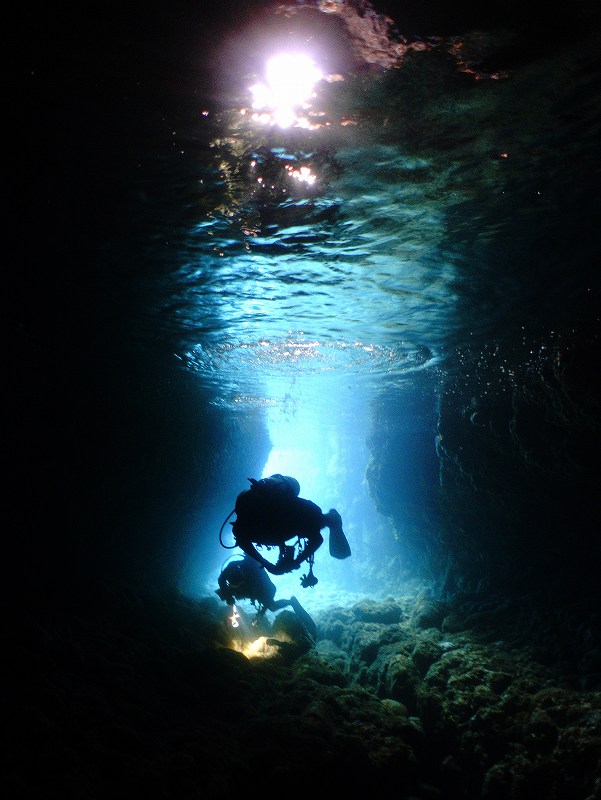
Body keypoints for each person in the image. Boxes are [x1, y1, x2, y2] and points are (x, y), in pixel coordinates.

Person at [228, 474, 351, 586]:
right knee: (316, 523)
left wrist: (275, 564)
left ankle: (332, 518)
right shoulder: (249, 516)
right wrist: (272, 564)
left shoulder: (248, 517)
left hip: (297, 517)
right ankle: (331, 518)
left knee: (322, 523)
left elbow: (316, 540)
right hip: (290, 522)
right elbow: (245, 537)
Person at [215, 554, 317, 638]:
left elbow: (266, 600)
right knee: (225, 593)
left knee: (272, 607)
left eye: (238, 585)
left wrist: (260, 615)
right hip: (250, 588)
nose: (236, 587)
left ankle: (291, 601)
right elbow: (221, 580)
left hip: (266, 589)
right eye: (233, 585)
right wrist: (228, 596)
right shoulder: (233, 566)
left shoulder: (255, 578)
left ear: (243, 579)